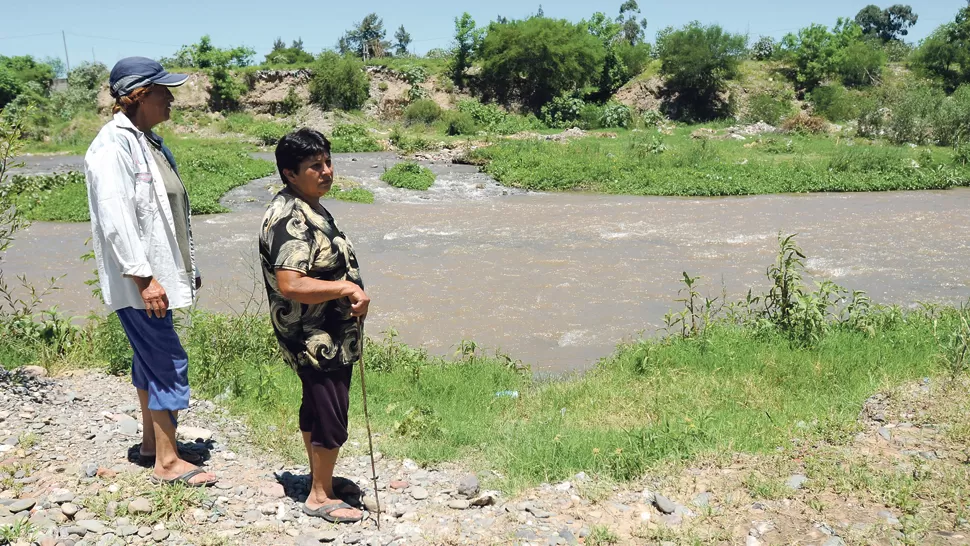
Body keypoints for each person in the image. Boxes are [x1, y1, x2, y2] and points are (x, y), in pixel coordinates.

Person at [83, 57, 215, 486]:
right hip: (140, 283)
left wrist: (182, 267)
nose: (171, 98)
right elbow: (116, 217)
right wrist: (144, 277)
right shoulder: (112, 147)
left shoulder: (148, 141)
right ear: (139, 95)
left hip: (156, 276)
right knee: (167, 361)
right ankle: (168, 461)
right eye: (163, 91)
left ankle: (149, 444)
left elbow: (166, 215)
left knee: (149, 359)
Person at [259, 128, 370, 523]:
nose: (326, 172)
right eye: (314, 166)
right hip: (314, 336)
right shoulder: (289, 217)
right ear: (290, 173)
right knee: (331, 411)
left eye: (327, 162)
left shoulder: (310, 205)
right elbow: (291, 283)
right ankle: (320, 496)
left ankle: (318, 479)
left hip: (329, 330)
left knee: (316, 406)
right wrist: (344, 286)